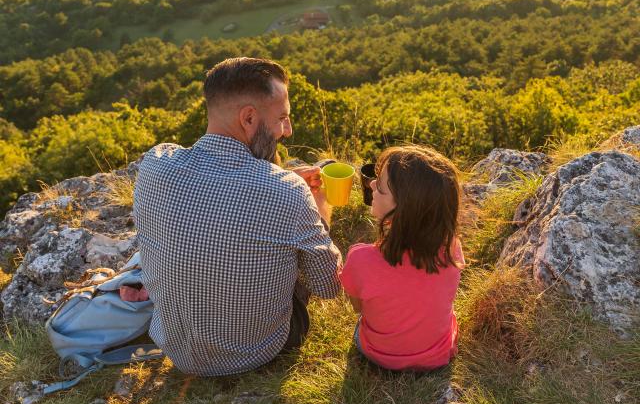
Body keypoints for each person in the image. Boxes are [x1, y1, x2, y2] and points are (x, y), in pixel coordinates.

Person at [133, 57, 341, 376]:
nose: (288, 130)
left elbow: (216, 194)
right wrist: (319, 208)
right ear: (248, 118)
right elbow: (328, 286)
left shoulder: (154, 165)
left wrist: (279, 180)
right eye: (282, 118)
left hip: (175, 349)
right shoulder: (289, 192)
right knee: (302, 249)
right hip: (256, 353)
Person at [340, 145, 464, 371]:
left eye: (382, 187)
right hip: (437, 355)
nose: (372, 184)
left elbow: (359, 309)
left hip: (378, 355)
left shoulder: (360, 259)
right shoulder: (452, 248)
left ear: (403, 210)